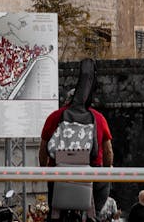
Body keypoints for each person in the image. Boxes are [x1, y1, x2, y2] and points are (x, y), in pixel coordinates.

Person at [40, 60, 114, 221]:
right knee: (98, 204)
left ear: (67, 100)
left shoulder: (54, 117)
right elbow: (108, 150)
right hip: (92, 171)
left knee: (55, 212)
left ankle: (55, 215)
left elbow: (44, 147)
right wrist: (107, 170)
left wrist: (45, 170)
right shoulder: (98, 118)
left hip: (59, 172)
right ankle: (94, 216)